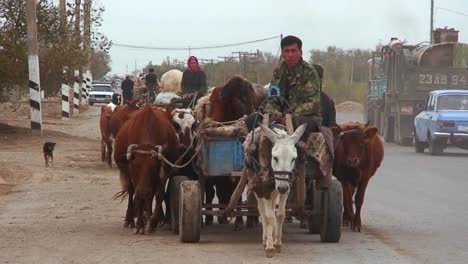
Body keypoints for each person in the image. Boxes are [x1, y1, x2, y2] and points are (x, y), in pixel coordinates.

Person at [247, 35, 322, 137]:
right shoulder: (278, 72)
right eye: (286, 51)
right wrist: (273, 113)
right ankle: (259, 150)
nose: (290, 55)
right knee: (252, 119)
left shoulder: (310, 72)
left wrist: (289, 116)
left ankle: (297, 151)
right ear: (282, 53)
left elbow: (313, 103)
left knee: (298, 124)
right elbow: (271, 98)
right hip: (280, 117)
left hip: (305, 117)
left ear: (301, 52)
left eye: (293, 51)